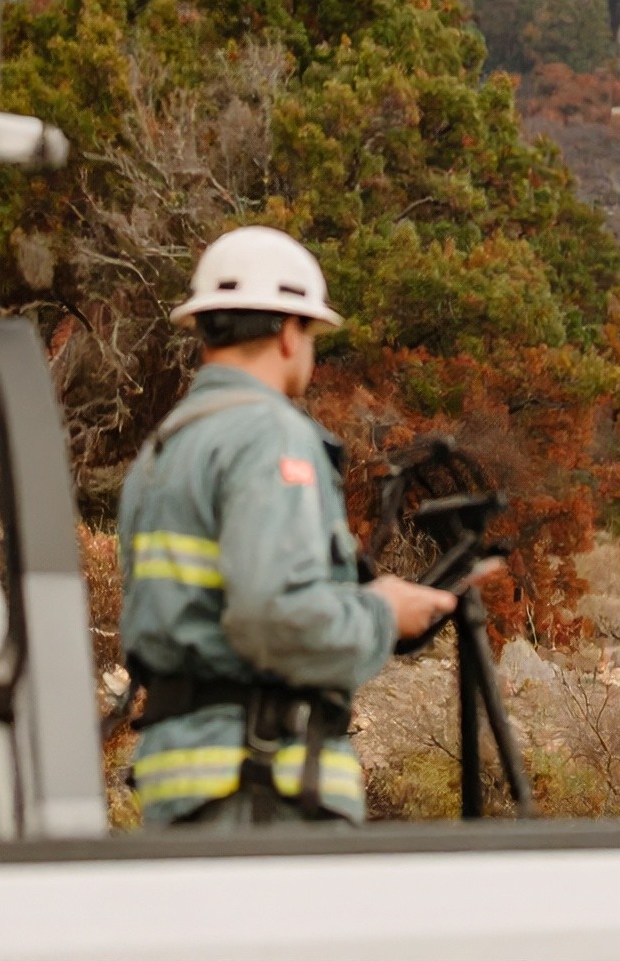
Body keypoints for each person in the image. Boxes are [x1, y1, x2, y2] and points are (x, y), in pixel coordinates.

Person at [115, 225, 456, 825]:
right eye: (311, 333)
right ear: (288, 332)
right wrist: (383, 614)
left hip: (181, 782)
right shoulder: (270, 435)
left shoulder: (164, 449)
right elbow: (273, 616)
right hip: (261, 788)